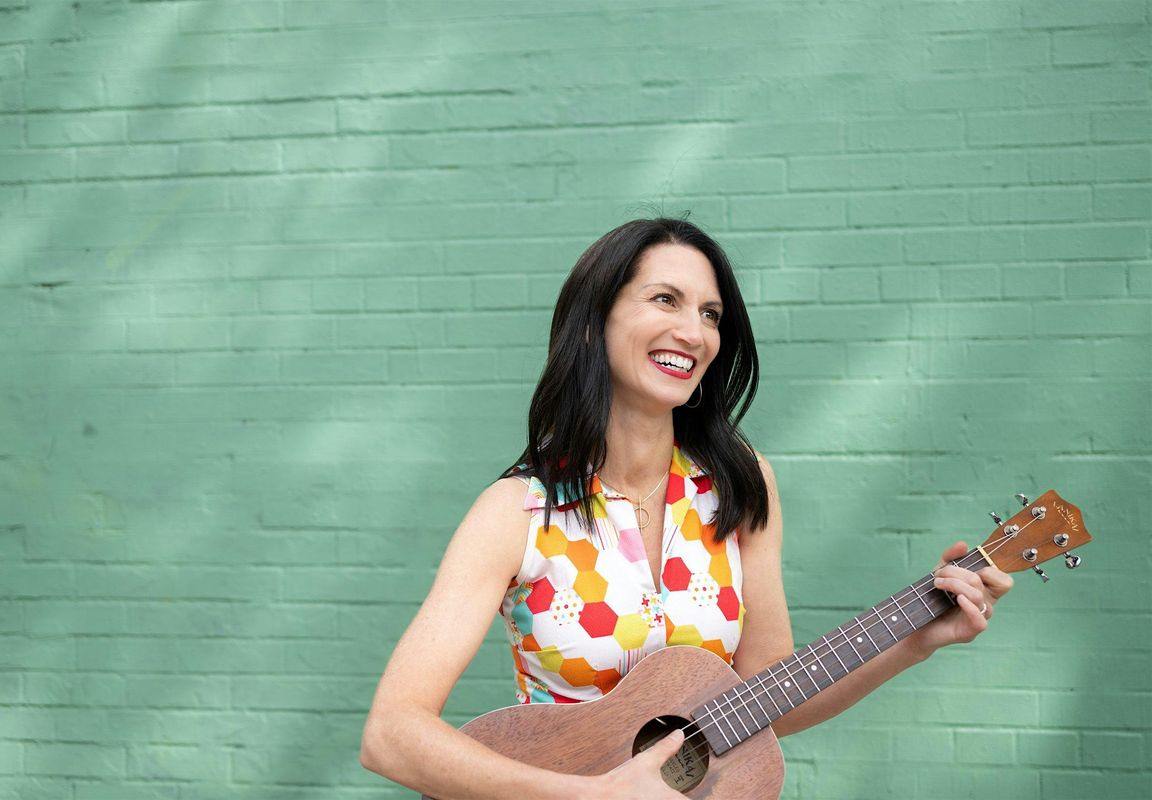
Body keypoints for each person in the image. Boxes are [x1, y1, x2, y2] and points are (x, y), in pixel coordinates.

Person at [359, 217, 1014, 798]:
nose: (693, 331)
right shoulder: (517, 513)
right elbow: (391, 735)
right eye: (665, 299)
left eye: (710, 314)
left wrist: (915, 645)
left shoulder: (739, 486)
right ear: (593, 324)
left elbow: (769, 703)